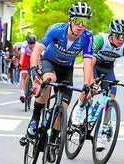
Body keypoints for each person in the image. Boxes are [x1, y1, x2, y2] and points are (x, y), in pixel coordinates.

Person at [24, 1, 94, 145]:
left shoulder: (87, 37)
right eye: (77, 20)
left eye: (85, 21)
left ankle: (54, 139)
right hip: (49, 62)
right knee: (49, 79)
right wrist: (32, 69)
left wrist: (87, 84)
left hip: (67, 69)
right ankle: (35, 118)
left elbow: (87, 61)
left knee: (63, 108)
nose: (81, 25)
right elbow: (37, 49)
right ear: (70, 20)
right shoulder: (56, 30)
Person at [72, 18, 124, 149]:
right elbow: (90, 63)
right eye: (118, 35)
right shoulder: (100, 40)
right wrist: (90, 83)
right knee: (91, 90)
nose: (121, 39)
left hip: (108, 69)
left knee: (111, 97)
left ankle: (102, 133)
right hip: (94, 65)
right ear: (111, 34)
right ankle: (79, 109)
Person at [17, 34, 37, 102]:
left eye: (33, 43)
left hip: (34, 57)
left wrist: (37, 66)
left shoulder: (37, 45)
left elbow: (38, 57)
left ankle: (35, 87)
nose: (31, 45)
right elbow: (22, 55)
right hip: (26, 56)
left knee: (35, 72)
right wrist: (20, 64)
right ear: (27, 42)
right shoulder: (24, 45)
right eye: (30, 43)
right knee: (23, 75)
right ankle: (22, 94)